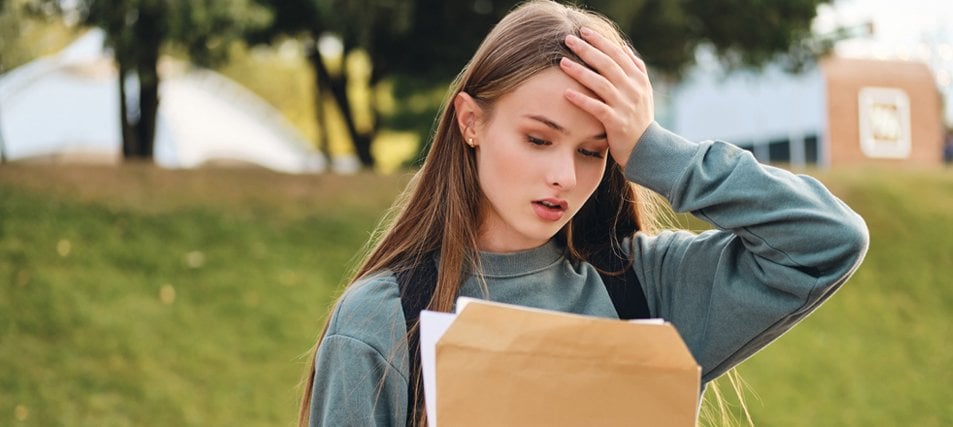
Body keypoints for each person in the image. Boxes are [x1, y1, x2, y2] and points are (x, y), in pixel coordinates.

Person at [298, 1, 869, 425]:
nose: (565, 178)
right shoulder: (384, 319)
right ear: (471, 121)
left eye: (594, 151)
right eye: (538, 140)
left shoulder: (648, 290)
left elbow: (827, 240)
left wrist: (653, 150)